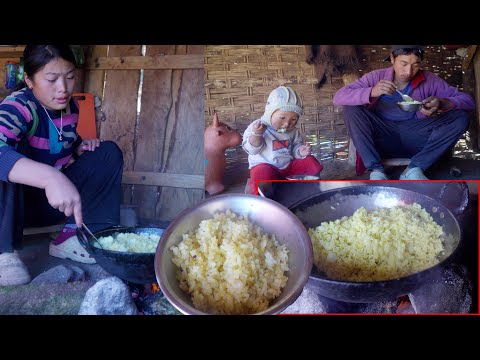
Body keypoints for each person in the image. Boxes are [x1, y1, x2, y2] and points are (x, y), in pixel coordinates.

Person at [0, 45, 124, 286]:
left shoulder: (69, 107)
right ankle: (4, 252)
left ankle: (74, 237)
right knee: (12, 150)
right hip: (11, 209)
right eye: (51, 79)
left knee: (107, 153)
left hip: (53, 203)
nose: (63, 88)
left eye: (69, 77)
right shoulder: (17, 107)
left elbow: (61, 139)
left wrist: (79, 147)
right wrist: (50, 177)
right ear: (29, 79)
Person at [333, 45, 474, 180]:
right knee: (351, 109)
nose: (408, 71)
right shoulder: (376, 77)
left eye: (416, 65)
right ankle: (376, 170)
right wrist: (371, 92)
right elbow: (339, 97)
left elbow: (468, 101)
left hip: (416, 136)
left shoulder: (429, 80)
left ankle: (415, 168)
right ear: (392, 59)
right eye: (403, 63)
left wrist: (443, 102)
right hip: (382, 136)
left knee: (461, 117)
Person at [242, 85, 323, 194]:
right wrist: (257, 134)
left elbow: (295, 148)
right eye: (282, 118)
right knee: (261, 173)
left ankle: (311, 188)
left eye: (293, 119)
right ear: (269, 113)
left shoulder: (293, 131)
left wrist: (300, 151)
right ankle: (264, 195)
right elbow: (252, 150)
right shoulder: (257, 127)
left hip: (288, 168)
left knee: (310, 162)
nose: (287, 123)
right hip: (267, 168)